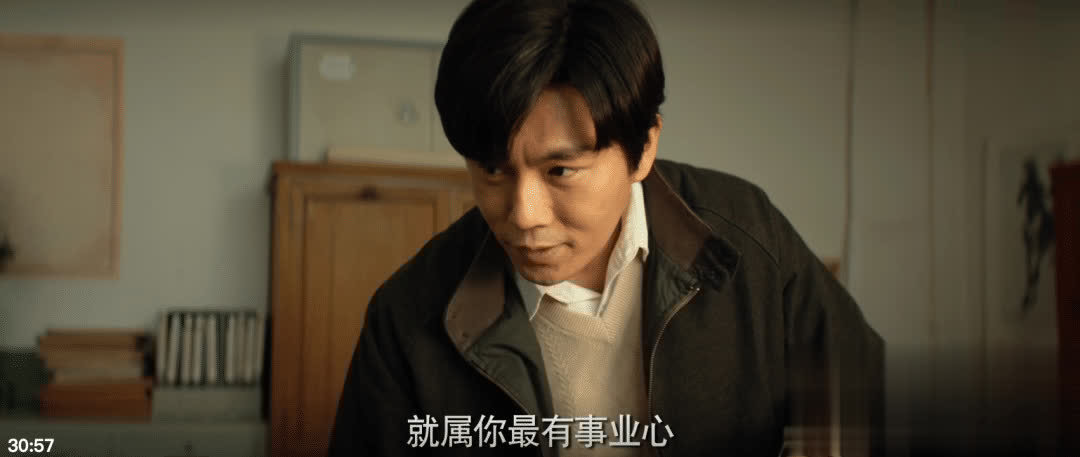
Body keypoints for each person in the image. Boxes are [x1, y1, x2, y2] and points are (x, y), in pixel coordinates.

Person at [329, 0, 884, 455]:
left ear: (644, 148)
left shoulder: (746, 239)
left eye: (560, 171)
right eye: (493, 170)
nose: (523, 215)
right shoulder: (409, 317)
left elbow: (865, 398)